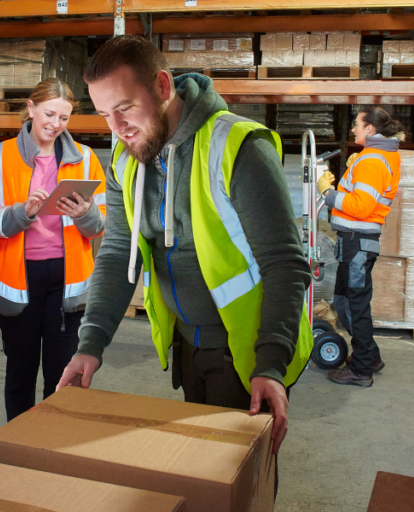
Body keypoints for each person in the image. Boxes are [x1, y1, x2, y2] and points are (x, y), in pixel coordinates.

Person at [56, 35, 313, 456]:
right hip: (187, 347)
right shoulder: (126, 159)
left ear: (161, 87)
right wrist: (91, 343)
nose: (116, 129)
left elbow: (285, 263)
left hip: (247, 352)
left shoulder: (239, 146)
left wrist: (270, 363)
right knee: (200, 467)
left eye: (124, 109)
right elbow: (120, 251)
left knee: (240, 478)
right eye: (104, 115)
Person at [0, 78, 106, 421]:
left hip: (67, 283)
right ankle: (18, 440)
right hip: (17, 280)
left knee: (62, 374)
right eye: (49, 114)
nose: (56, 124)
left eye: (64, 118)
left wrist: (84, 214)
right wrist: (19, 213)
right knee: (20, 371)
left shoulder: (84, 159)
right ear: (30, 108)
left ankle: (53, 443)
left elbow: (100, 225)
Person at [316, 107, 404, 387]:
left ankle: (363, 370)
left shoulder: (373, 160)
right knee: (344, 302)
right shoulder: (376, 156)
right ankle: (371, 357)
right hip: (353, 243)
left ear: (370, 130)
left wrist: (327, 193)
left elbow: (361, 207)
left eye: (357, 124)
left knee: (355, 305)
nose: (353, 129)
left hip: (357, 242)